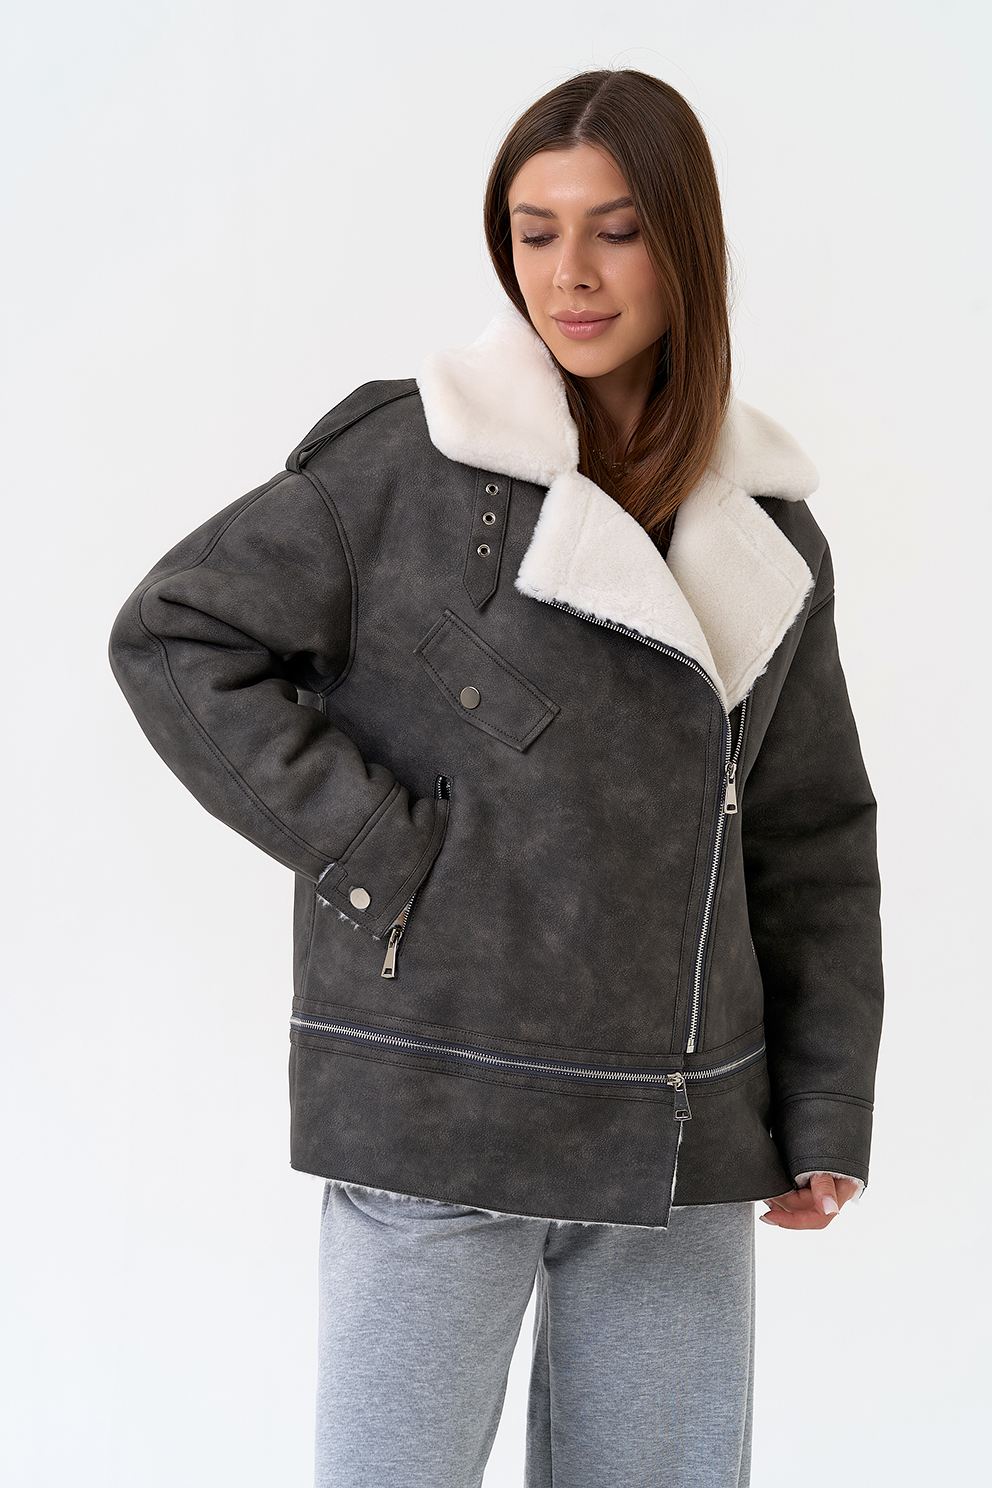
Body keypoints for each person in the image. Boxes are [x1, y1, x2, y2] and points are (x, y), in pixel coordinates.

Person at [110, 68, 883, 1488]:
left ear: (688, 246)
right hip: (441, 1101)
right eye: (535, 233)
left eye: (615, 231)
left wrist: (825, 1105)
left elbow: (809, 830)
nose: (568, 274)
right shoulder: (407, 461)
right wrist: (382, 853)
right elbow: (177, 634)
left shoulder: (772, 532)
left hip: (682, 1131)